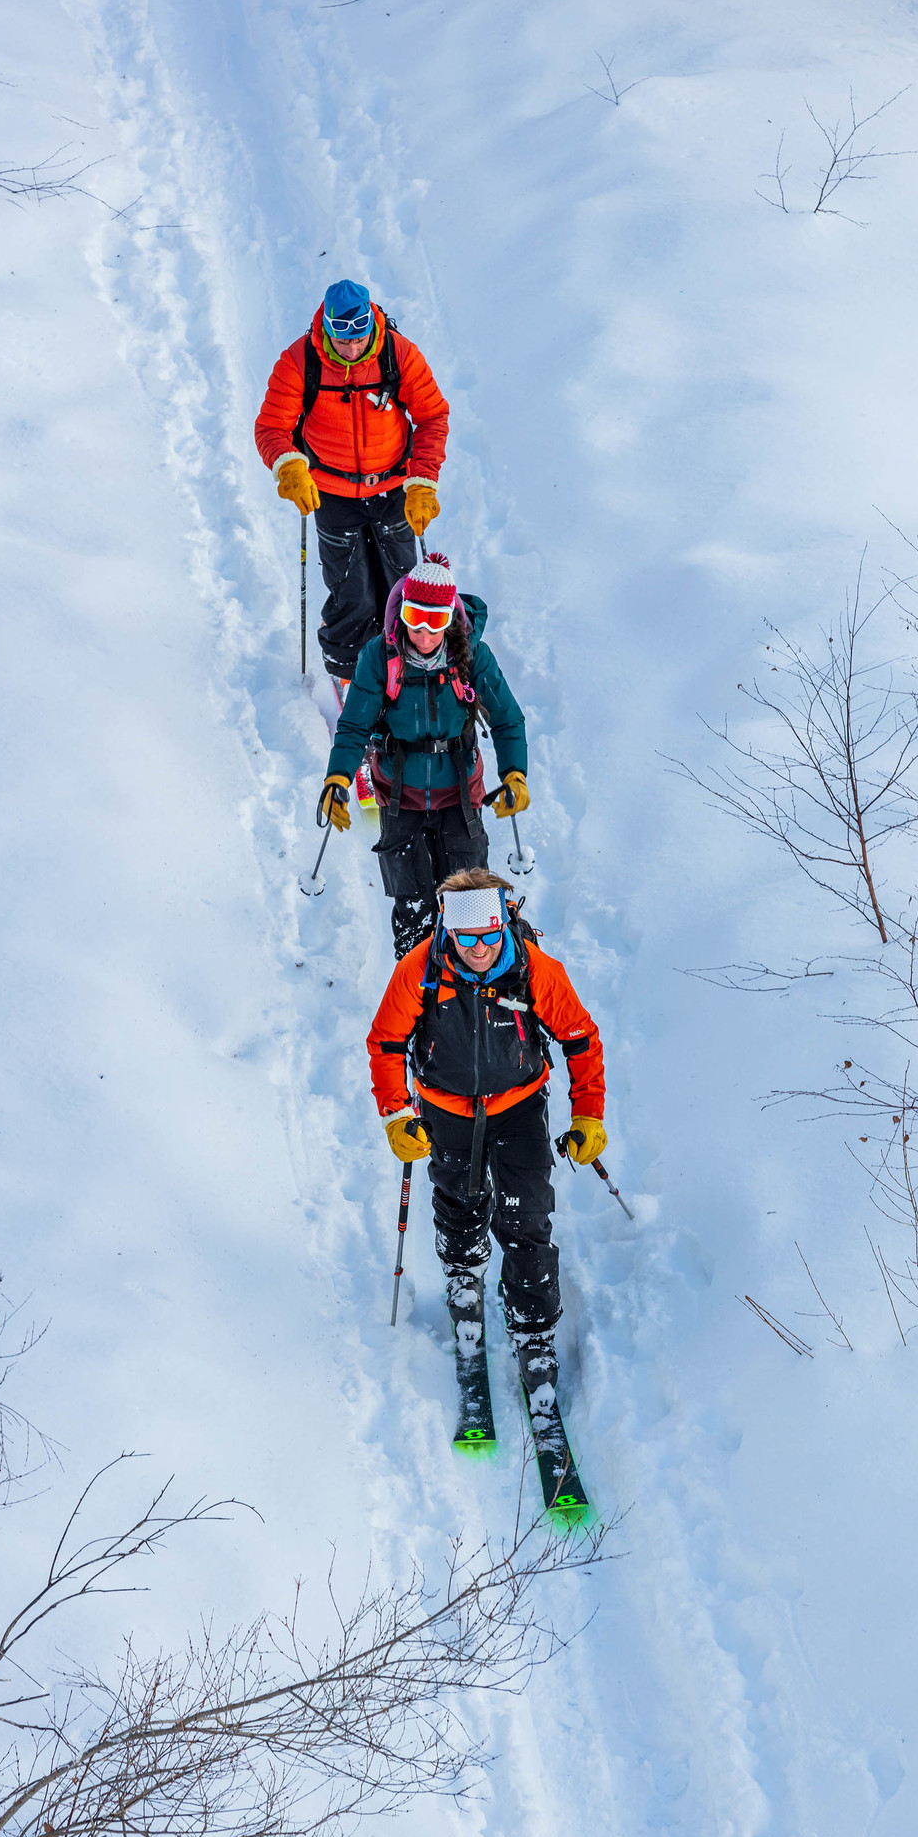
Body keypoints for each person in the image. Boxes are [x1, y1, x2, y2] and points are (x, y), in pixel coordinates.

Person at [366, 868, 607, 1400]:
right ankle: (463, 1276)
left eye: (490, 936)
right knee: (459, 1199)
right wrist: (396, 1114)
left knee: (527, 1218)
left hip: (519, 1107)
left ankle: (534, 1334)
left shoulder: (534, 970)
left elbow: (581, 1039)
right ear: (449, 930)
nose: (479, 948)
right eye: (467, 938)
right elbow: (386, 1042)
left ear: (503, 924)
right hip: (446, 1108)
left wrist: (588, 1114)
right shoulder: (420, 970)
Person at [317, 552, 531, 959]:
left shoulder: (472, 656)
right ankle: (418, 990)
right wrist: (337, 777)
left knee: (471, 904)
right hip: (400, 796)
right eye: (416, 619)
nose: (425, 635)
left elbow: (507, 719)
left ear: (450, 619)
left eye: (436, 622)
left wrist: (514, 773)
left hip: (460, 795)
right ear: (402, 611)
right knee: (413, 909)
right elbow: (354, 726)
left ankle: (473, 985)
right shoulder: (380, 656)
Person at [255, 277, 450, 678]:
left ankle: (405, 660)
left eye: (359, 340)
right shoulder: (300, 360)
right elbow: (271, 426)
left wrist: (422, 482)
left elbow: (432, 416)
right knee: (351, 591)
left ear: (370, 325)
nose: (351, 349)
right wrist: (289, 466)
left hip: (393, 489)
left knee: (400, 582)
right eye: (342, 341)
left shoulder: (398, 354)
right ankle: (350, 670)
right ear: (327, 328)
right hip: (331, 492)